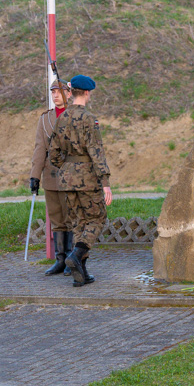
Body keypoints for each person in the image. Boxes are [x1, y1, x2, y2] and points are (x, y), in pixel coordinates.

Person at [48, 74, 113, 287]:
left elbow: (54, 153)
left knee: (78, 223)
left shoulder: (62, 118)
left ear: (71, 92)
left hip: (66, 178)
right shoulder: (88, 118)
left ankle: (81, 274)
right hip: (87, 177)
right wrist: (105, 182)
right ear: (86, 92)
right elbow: (96, 151)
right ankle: (76, 255)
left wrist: (67, 169)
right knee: (97, 218)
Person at [30, 79, 75, 276]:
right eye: (53, 91)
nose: (56, 95)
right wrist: (35, 176)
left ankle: (72, 259)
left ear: (69, 93)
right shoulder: (44, 119)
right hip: (50, 175)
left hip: (71, 175)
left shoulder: (75, 115)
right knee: (56, 219)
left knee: (71, 218)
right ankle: (60, 259)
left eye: (60, 91)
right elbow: (40, 148)